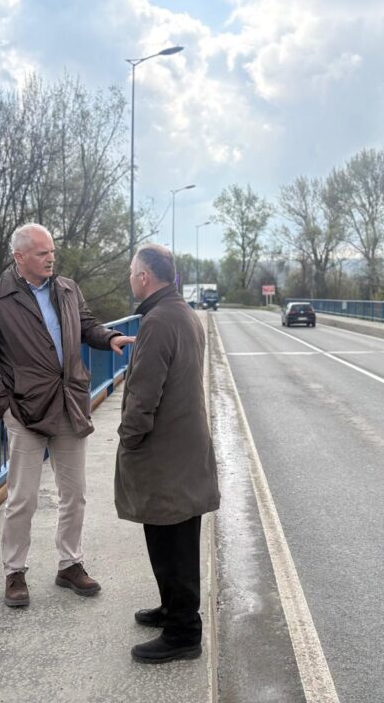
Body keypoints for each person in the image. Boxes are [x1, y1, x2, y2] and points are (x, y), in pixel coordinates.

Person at [0, 223, 134, 607]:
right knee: (22, 498)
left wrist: (110, 337)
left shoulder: (67, 288)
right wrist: (5, 407)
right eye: (42, 253)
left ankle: (70, 565)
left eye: (52, 252)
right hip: (25, 410)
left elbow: (86, 325)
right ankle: (14, 572)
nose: (50, 258)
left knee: (74, 494)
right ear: (19, 257)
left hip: (69, 402)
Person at [115, 243, 220, 663]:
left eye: (131, 272)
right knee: (169, 533)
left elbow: (144, 393)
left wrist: (129, 437)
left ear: (144, 276)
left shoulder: (158, 321)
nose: (130, 278)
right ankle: (171, 607)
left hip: (166, 451)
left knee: (173, 540)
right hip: (183, 447)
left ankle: (183, 632)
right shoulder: (181, 313)